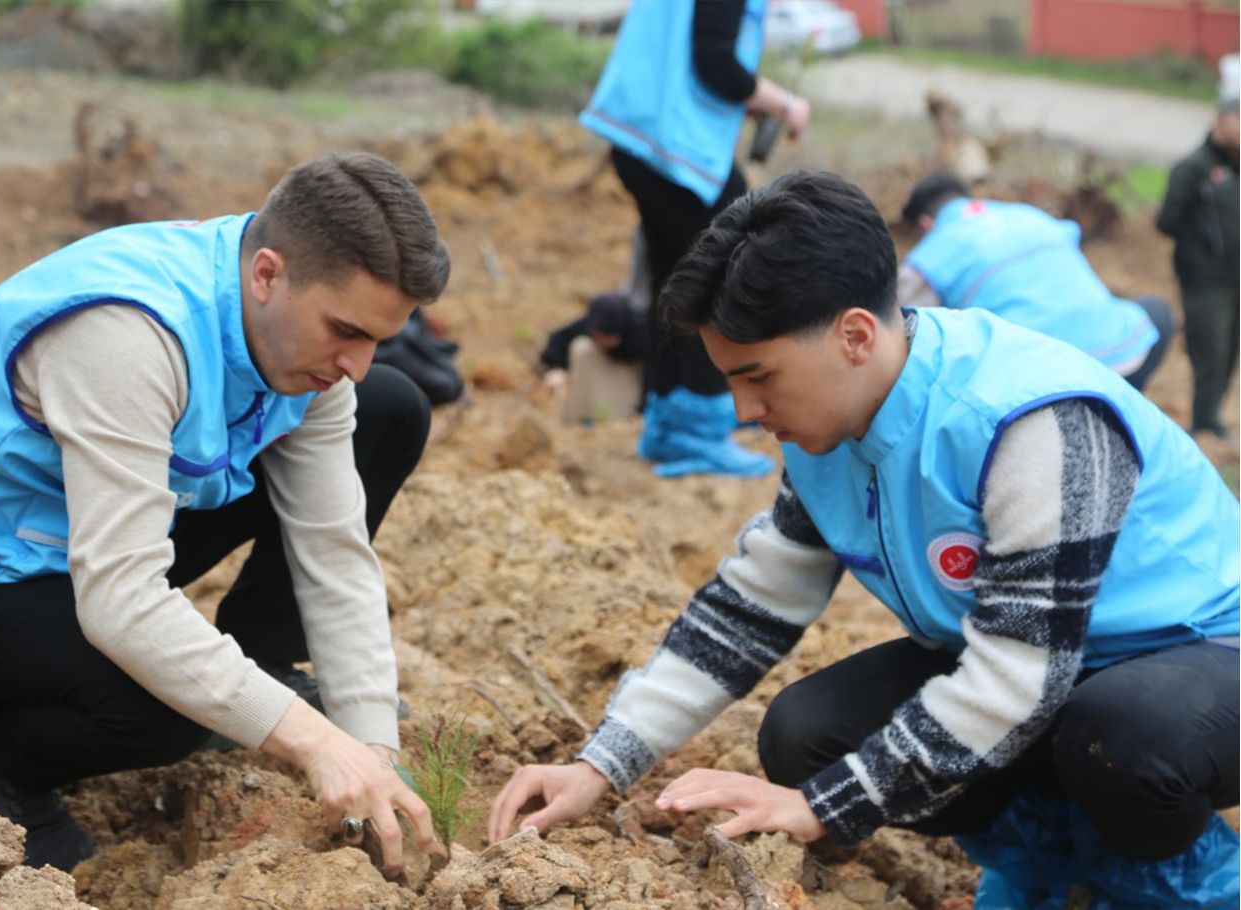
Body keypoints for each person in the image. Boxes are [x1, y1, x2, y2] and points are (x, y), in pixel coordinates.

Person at [489, 170, 1240, 908]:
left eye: (759, 377)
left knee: (1123, 739)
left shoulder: (1026, 421)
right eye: (732, 381)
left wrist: (821, 809)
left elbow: (1019, 671)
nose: (746, 409)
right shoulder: (827, 433)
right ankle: (1048, 862)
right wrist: (602, 764)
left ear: (854, 335)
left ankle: (1183, 883)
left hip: (1197, 658)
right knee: (805, 733)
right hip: (1053, 680)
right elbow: (746, 611)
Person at [0, 152, 450, 876]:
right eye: (346, 330)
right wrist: (310, 739)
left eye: (376, 337)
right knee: (176, 700)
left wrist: (371, 753)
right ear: (267, 274)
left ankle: (260, 667)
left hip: (97, 525)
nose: (356, 363)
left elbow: (332, 550)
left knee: (389, 408)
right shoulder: (126, 334)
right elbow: (121, 605)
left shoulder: (299, 340)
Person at [579, 0, 811, 477]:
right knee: (718, 285)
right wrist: (783, 103)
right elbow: (716, 63)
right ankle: (698, 427)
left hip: (644, 141)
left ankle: (668, 419)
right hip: (679, 154)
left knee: (675, 282)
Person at [899, 172, 1174, 392]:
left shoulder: (933, 252)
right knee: (1154, 310)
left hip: (1040, 382)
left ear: (926, 224)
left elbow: (901, 331)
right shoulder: (1029, 215)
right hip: (1122, 358)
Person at [1156, 94, 1240, 440]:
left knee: (1230, 350)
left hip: (1235, 276)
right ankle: (1203, 423)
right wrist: (1200, 246)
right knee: (1210, 349)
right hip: (1204, 280)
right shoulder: (1192, 168)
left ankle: (1213, 416)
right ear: (1222, 120)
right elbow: (1167, 221)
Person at [539, 290, 647, 425]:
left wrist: (642, 407)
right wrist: (556, 368)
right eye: (599, 337)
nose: (604, 342)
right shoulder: (593, 323)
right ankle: (582, 416)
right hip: (599, 381)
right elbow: (558, 339)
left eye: (610, 338)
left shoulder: (642, 329)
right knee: (581, 347)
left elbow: (658, 371)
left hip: (632, 380)